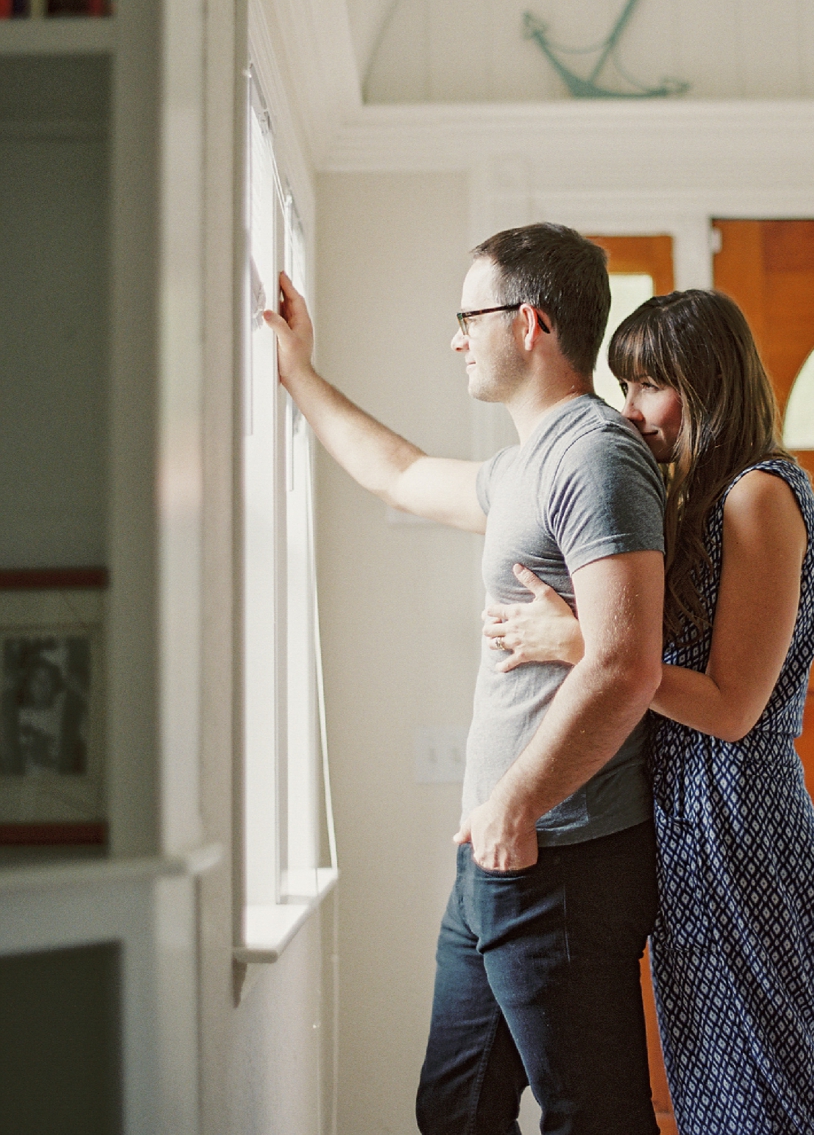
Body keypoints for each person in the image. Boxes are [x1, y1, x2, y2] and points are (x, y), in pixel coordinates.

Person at [264, 222, 667, 1135]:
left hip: (560, 852)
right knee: (454, 1110)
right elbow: (400, 474)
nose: (455, 338)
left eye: (468, 316)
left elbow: (624, 661)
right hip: (500, 849)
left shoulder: (594, 458)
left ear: (531, 323)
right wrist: (298, 374)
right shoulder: (529, 465)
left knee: (592, 1116)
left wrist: (516, 805)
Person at [483, 288, 814, 1135]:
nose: (631, 411)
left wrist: (585, 646)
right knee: (719, 1100)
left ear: (708, 384)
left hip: (739, 822)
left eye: (650, 386)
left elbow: (733, 709)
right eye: (625, 386)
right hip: (692, 824)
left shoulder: (758, 495)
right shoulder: (703, 499)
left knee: (763, 1102)